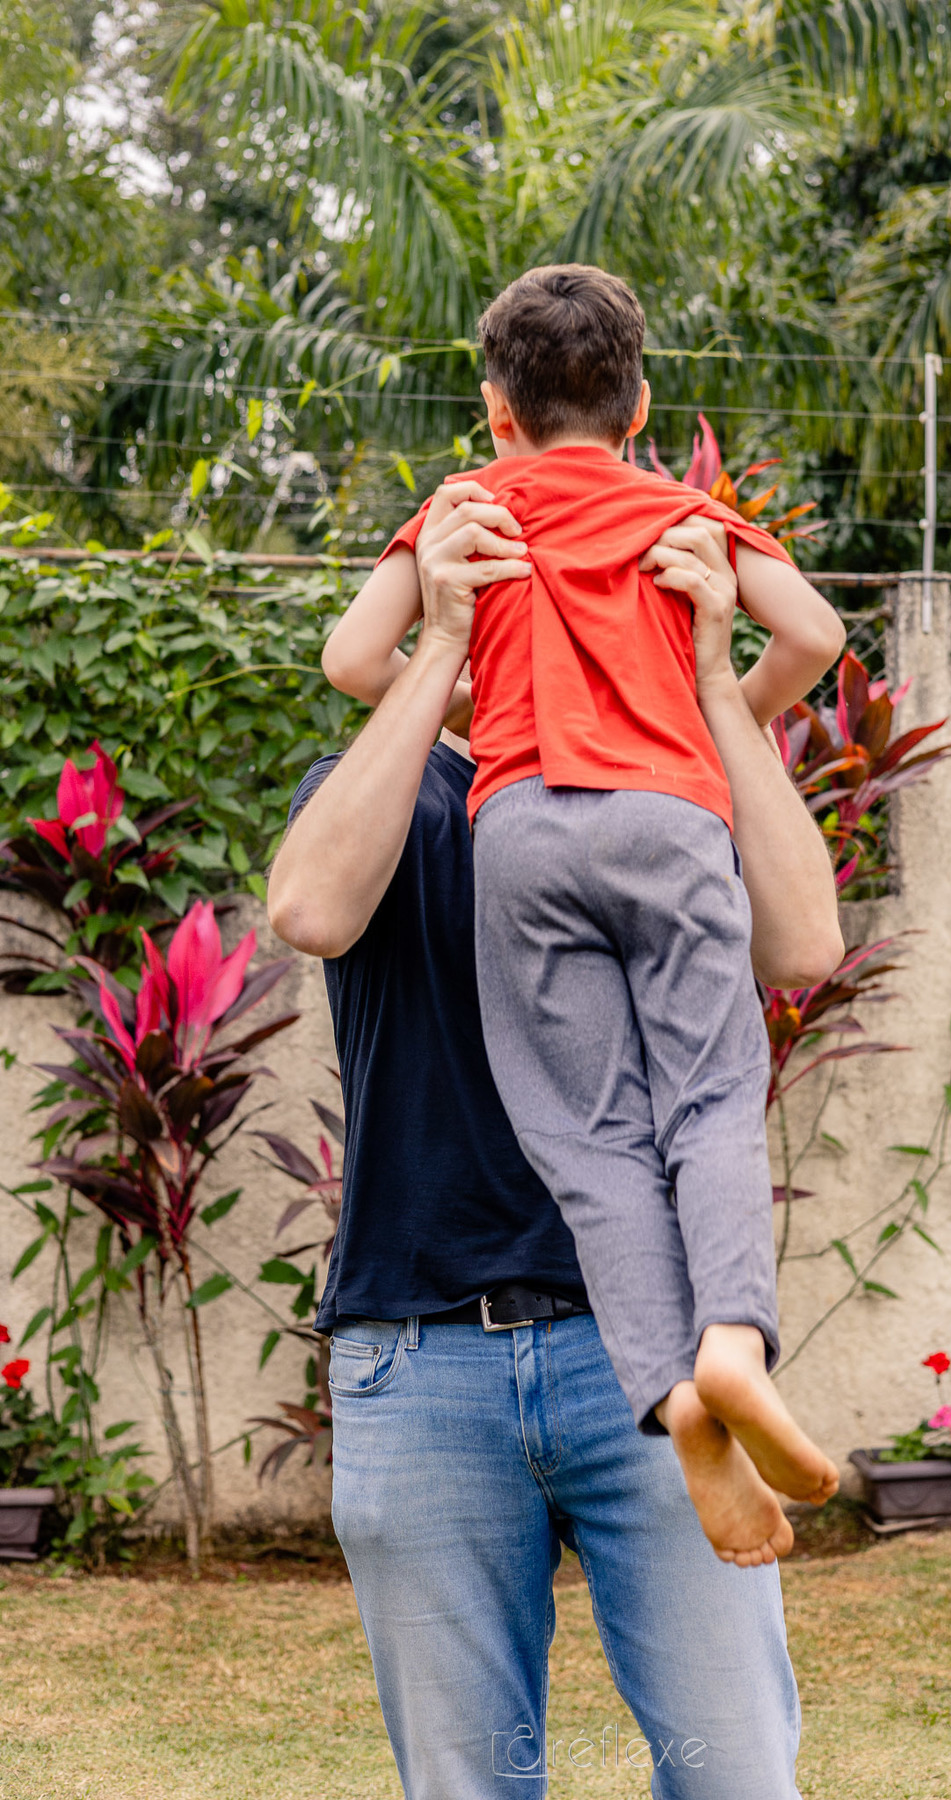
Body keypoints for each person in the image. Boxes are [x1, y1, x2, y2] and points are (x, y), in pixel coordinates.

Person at [268, 483, 843, 1798]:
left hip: (641, 1359)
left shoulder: (669, 791)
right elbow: (310, 909)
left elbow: (805, 943)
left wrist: (712, 687)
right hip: (420, 1361)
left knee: (738, 1776)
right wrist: (444, 654)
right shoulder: (391, 786)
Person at [320, 264, 844, 1562]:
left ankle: (672, 1393)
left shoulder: (467, 511)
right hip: (671, 820)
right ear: (640, 405)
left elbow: (351, 660)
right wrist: (718, 704)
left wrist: (475, 695)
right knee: (707, 1098)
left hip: (520, 831)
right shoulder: (684, 514)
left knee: (585, 1133)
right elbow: (815, 636)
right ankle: (731, 1343)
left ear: (496, 409)